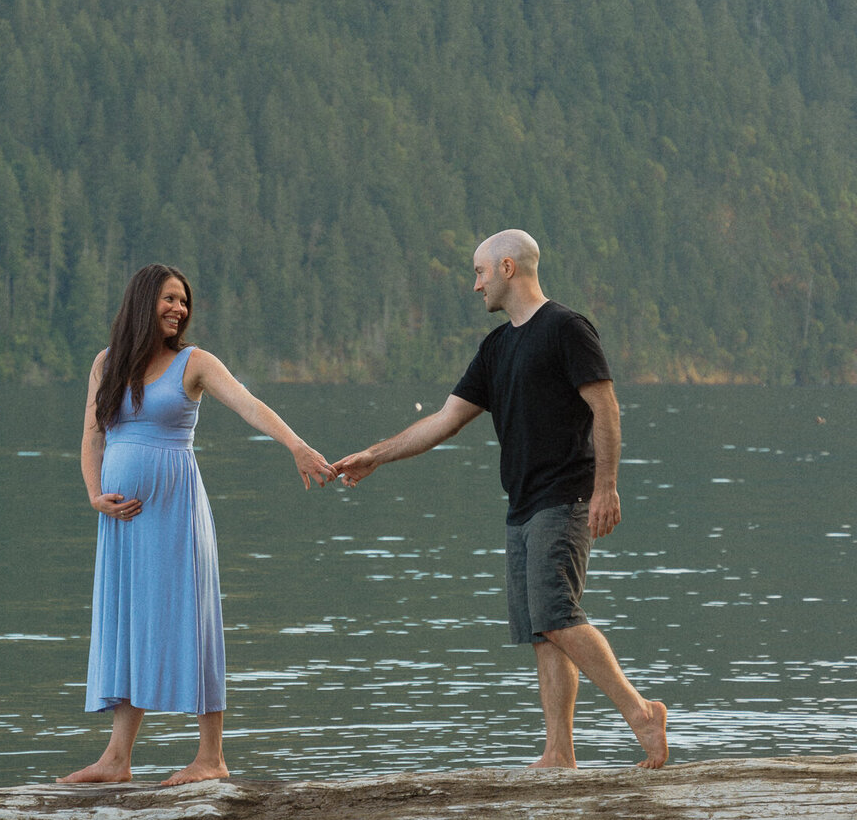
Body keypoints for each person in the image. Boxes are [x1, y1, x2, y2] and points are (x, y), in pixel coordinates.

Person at [333, 229, 668, 770]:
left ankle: (640, 713)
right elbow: (444, 420)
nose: (475, 285)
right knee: (542, 631)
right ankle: (559, 753)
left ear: (508, 268)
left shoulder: (566, 328)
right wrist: (376, 455)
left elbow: (605, 406)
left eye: (480, 272)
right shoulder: (496, 348)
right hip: (522, 503)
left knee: (558, 615)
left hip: (566, 495)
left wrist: (606, 486)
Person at [65, 263, 333, 786]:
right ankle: (117, 759)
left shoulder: (194, 363)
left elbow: (249, 404)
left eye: (183, 301)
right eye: (169, 299)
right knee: (126, 620)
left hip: (175, 510)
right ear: (144, 303)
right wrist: (95, 496)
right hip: (120, 520)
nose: (179, 309)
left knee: (194, 618)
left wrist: (296, 445)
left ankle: (211, 757)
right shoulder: (107, 363)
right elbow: (93, 438)